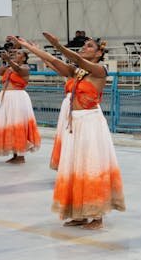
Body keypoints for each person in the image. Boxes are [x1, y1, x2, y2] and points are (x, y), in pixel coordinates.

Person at [14, 33, 125, 230]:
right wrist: (30, 48)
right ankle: (80, 213)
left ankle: (97, 216)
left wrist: (58, 45)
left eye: (89, 46)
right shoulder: (78, 72)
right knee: (76, 167)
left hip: (91, 125)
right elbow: (53, 60)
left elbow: (75, 58)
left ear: (100, 53)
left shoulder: (100, 70)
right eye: (84, 45)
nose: (84, 48)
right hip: (75, 124)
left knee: (91, 167)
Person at [0, 47, 41, 164]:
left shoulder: (25, 67)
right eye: (15, 53)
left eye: (18, 53)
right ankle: (15, 153)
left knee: (18, 124)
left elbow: (18, 69)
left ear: (24, 58)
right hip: (6, 98)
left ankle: (21, 155)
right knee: (9, 125)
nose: (15, 55)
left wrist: (8, 60)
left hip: (17, 98)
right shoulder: (9, 67)